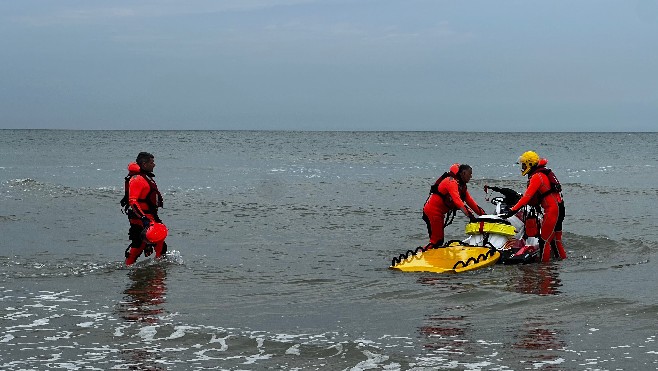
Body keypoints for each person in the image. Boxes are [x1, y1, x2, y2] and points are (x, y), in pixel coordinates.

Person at [502, 151, 567, 262]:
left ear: (530, 164)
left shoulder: (537, 177)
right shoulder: (543, 173)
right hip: (560, 208)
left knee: (544, 241)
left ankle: (544, 268)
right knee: (556, 239)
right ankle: (562, 261)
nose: (522, 168)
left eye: (524, 165)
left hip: (552, 210)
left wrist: (512, 210)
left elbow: (526, 197)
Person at [422, 164, 486, 249]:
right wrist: (470, 216)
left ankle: (432, 256)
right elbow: (458, 202)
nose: (471, 176)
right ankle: (423, 255)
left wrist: (485, 215)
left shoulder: (462, 186)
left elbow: (471, 202)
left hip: (439, 214)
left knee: (438, 241)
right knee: (436, 241)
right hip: (432, 212)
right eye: (469, 174)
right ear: (463, 173)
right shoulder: (451, 182)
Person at [120, 152, 167, 265]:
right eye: (152, 162)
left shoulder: (145, 177)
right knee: (139, 245)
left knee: (159, 242)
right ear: (144, 164)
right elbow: (132, 201)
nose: (154, 165)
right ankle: (128, 266)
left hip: (150, 216)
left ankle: (158, 267)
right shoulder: (137, 179)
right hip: (141, 218)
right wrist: (144, 219)